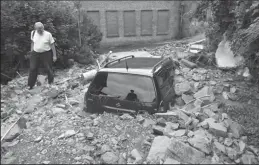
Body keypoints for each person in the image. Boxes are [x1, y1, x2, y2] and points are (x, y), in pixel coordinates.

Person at [28, 22, 57, 89]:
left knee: (48, 68)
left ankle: (51, 83)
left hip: (46, 53)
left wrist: (54, 56)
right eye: (38, 29)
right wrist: (32, 51)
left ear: (43, 27)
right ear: (35, 29)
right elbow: (32, 42)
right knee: (32, 68)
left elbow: (52, 45)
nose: (40, 30)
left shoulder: (48, 34)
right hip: (35, 53)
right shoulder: (33, 33)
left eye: (41, 28)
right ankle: (30, 85)